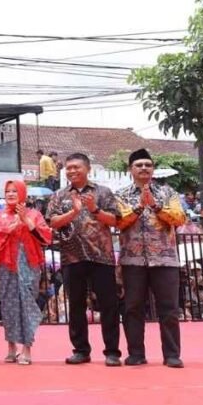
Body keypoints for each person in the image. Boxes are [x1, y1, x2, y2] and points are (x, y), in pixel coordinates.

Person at [46, 152, 123, 366]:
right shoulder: (59, 195)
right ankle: (80, 350)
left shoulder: (103, 192)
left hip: (102, 256)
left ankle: (112, 352)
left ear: (88, 169)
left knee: (108, 305)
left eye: (76, 167)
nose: (72, 171)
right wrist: (73, 212)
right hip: (72, 256)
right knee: (77, 305)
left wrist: (94, 209)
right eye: (68, 168)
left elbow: (116, 220)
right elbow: (52, 222)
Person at [115, 149, 187, 368]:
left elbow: (179, 218)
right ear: (131, 170)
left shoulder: (168, 193)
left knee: (169, 309)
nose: (144, 168)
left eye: (148, 164)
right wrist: (139, 207)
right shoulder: (120, 194)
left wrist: (155, 205)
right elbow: (118, 221)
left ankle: (172, 355)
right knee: (132, 308)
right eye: (139, 165)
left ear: (153, 168)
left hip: (164, 259)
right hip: (132, 260)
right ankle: (136, 353)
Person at [0, 180, 52, 365]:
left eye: (15, 191)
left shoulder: (34, 214)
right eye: (7, 191)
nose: (10, 194)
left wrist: (26, 221)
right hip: (6, 264)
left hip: (28, 263)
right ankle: (11, 347)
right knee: (8, 304)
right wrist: (9, 228)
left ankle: (27, 347)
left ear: (23, 193)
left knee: (27, 303)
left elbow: (45, 237)